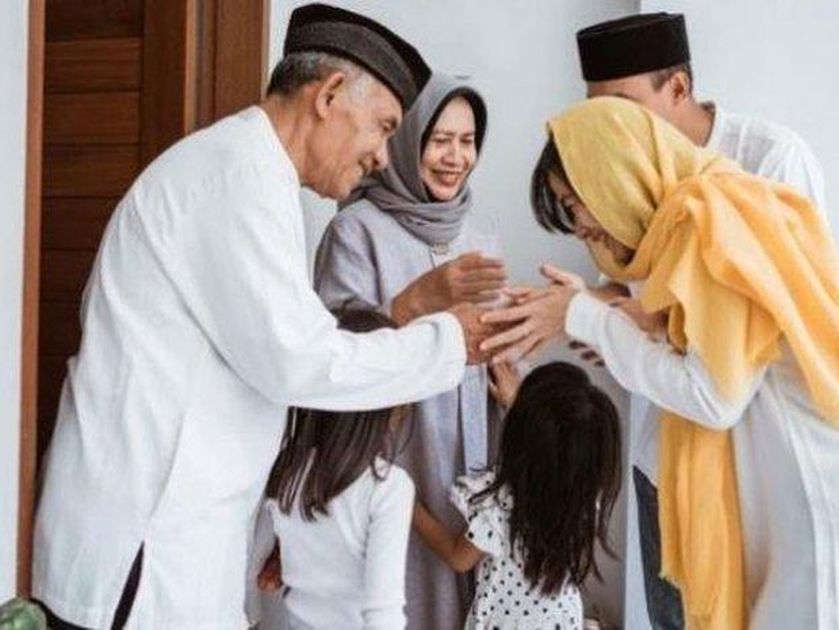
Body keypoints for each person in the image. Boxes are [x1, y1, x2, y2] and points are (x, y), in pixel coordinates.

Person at [31, 5, 491, 628]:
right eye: (383, 128)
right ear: (329, 95)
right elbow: (299, 360)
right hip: (140, 551)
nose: (383, 156)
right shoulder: (236, 176)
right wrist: (446, 343)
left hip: (181, 547)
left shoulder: (255, 176)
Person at [482, 97, 839, 629]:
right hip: (819, 513)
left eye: (573, 202)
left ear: (611, 173)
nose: (578, 227)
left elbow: (714, 396)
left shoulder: (707, 220)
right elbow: (726, 344)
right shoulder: (712, 210)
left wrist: (583, 315)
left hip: (831, 523)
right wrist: (615, 316)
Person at [573, 12, 828, 627]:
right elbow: (635, 281)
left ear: (679, 87)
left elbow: (794, 314)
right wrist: (607, 306)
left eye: (623, 107)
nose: (610, 128)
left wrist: (629, 321)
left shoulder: (770, 160)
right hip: (661, 452)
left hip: (750, 464)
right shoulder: (618, 164)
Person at [313, 72, 504, 629]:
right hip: (398, 449)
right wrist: (418, 301)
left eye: (467, 141)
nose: (455, 158)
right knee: (399, 592)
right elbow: (331, 353)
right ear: (406, 142)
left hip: (476, 453)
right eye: (439, 140)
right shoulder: (356, 231)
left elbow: (489, 344)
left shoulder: (479, 230)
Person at [411, 362, 622, 630]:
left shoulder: (503, 502)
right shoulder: (586, 499)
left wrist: (410, 506)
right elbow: (556, 455)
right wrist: (519, 410)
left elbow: (459, 557)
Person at [257, 309, 416, 630]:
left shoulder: (285, 470)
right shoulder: (388, 487)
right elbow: (383, 613)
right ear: (392, 403)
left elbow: (257, 568)